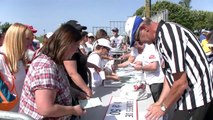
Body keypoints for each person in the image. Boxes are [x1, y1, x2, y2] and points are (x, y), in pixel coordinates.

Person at [135, 17, 213, 120]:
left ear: (145, 28)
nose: (141, 42)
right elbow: (169, 75)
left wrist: (162, 108)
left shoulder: (168, 35)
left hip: (196, 99)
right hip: (186, 96)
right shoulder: (160, 38)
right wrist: (159, 102)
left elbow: (181, 83)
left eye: (138, 38)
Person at [19, 23, 86, 119]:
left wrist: (77, 93)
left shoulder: (56, 61)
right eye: (76, 45)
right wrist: (73, 110)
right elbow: (46, 109)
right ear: (66, 45)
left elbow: (59, 86)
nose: (76, 50)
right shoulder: (46, 67)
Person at [0, 23, 33, 112]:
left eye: (31, 39)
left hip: (19, 111)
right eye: (27, 39)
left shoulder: (20, 59)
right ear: (16, 39)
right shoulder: (1, 58)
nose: (30, 42)